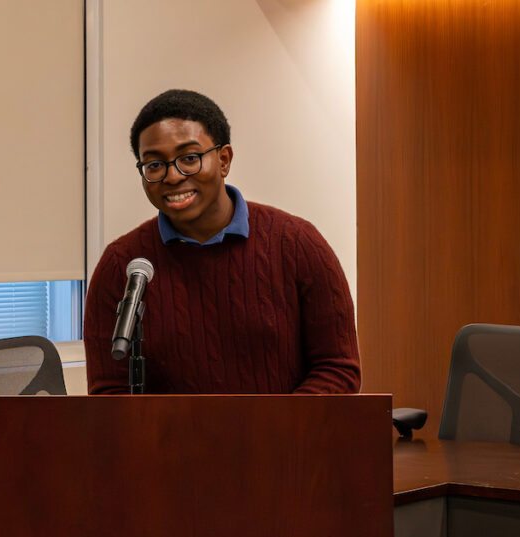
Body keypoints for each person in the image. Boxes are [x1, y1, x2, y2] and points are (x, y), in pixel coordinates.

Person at [84, 89, 360, 394]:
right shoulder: (122, 265)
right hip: (169, 430)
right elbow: (109, 391)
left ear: (224, 160)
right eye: (154, 165)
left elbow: (338, 369)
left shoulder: (297, 244)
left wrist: (277, 423)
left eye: (189, 158)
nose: (172, 177)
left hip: (285, 427)